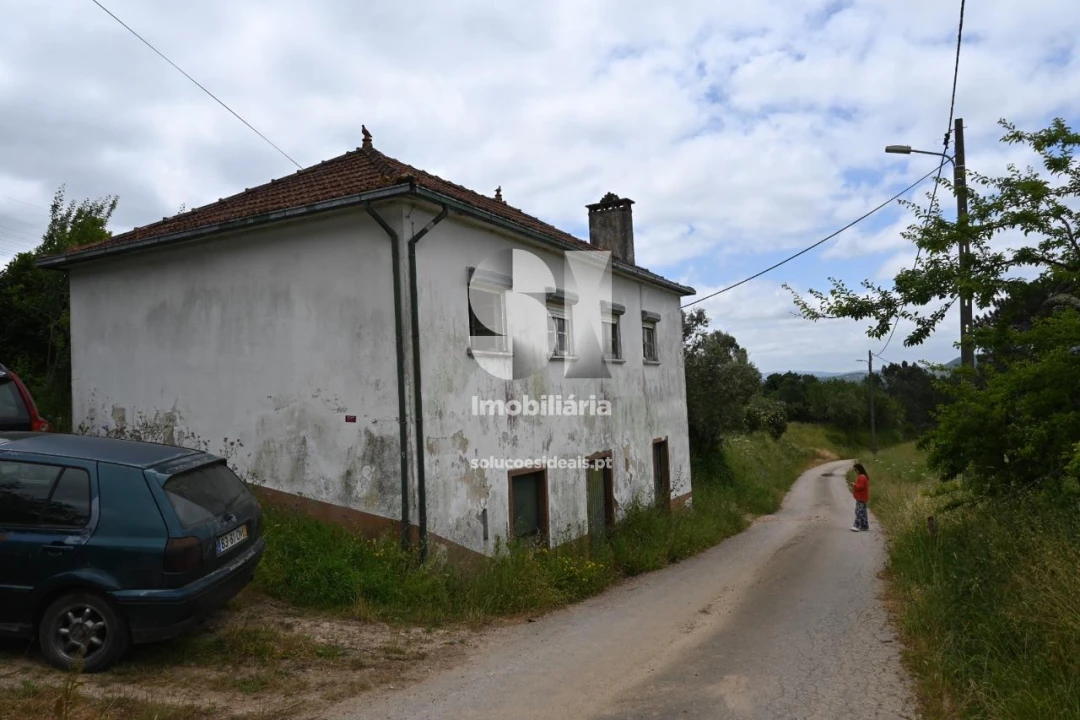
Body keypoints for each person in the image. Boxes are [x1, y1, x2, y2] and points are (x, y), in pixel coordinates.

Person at [851, 463, 870, 532]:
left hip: (861, 497)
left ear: (858, 469)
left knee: (858, 511)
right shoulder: (864, 476)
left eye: (855, 470)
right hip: (864, 497)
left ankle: (857, 526)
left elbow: (860, 487)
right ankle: (864, 525)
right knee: (863, 511)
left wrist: (854, 485)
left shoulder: (862, 477)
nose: (855, 472)